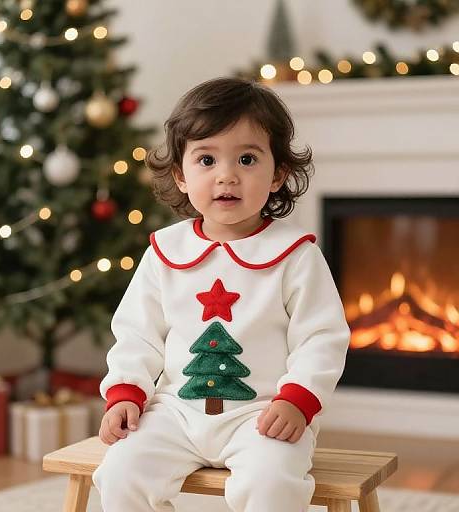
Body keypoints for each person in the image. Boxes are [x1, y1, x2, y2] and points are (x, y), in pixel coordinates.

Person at [93, 77, 350, 512]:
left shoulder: (296, 255)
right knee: (120, 472)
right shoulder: (164, 253)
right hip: (174, 412)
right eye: (206, 159)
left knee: (273, 484)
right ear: (181, 174)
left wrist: (298, 400)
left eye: (247, 159)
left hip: (264, 415)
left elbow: (322, 337)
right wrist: (125, 393)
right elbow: (137, 334)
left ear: (277, 174)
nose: (226, 175)